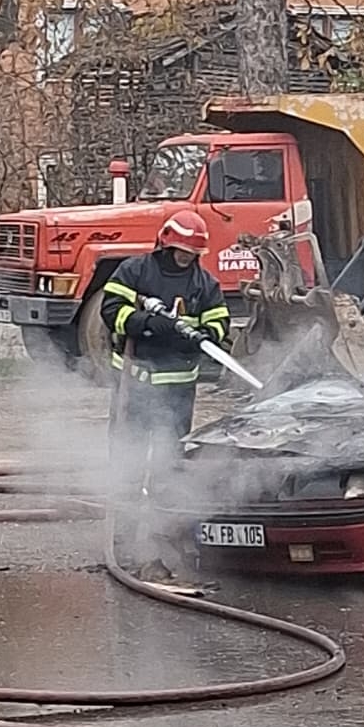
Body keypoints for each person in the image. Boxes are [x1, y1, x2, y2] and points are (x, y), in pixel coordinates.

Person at [100, 210, 230, 568]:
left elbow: (219, 321)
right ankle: (123, 538)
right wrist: (147, 324)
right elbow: (111, 309)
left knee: (170, 463)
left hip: (177, 393)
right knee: (128, 460)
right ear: (165, 245)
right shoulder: (135, 271)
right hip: (134, 387)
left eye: (191, 254)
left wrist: (205, 336)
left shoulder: (204, 284)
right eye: (180, 251)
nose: (185, 258)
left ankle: (166, 534)